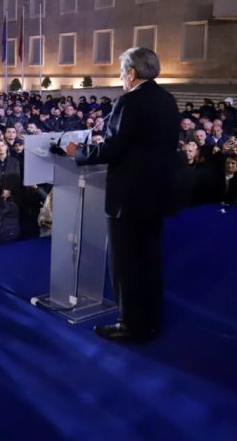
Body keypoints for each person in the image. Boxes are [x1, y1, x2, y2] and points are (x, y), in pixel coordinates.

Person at [73, 47, 179, 342]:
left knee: (126, 263)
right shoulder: (167, 100)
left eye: (122, 71)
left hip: (129, 199)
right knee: (149, 260)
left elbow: (112, 148)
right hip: (157, 195)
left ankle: (130, 324)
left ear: (132, 73)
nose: (121, 77)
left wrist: (78, 153)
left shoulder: (130, 102)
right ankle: (151, 320)